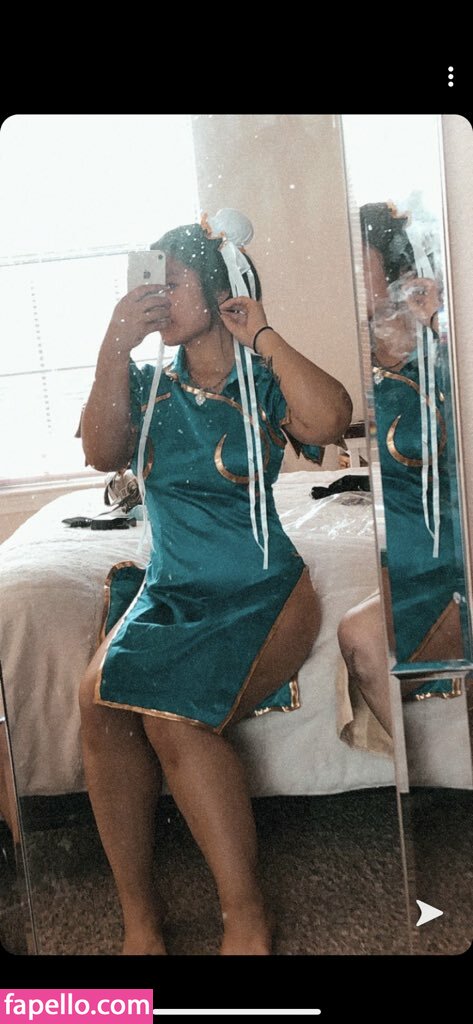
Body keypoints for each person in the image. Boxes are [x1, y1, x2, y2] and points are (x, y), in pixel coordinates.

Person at [79, 209, 352, 955]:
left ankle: (246, 916)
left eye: (174, 284)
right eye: (151, 285)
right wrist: (113, 344)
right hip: (171, 590)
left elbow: (330, 420)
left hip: (262, 591)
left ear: (216, 288)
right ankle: (140, 919)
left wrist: (260, 333)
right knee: (97, 705)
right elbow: (102, 453)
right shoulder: (144, 387)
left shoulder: (262, 382)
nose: (159, 298)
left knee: (176, 719)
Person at [338, 202, 467, 743]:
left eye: (360, 262)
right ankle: (424, 777)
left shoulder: (448, 347)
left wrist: (439, 324)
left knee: (367, 638)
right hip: (413, 561)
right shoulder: (372, 361)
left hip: (458, 555)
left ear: (402, 274)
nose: (349, 276)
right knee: (360, 637)